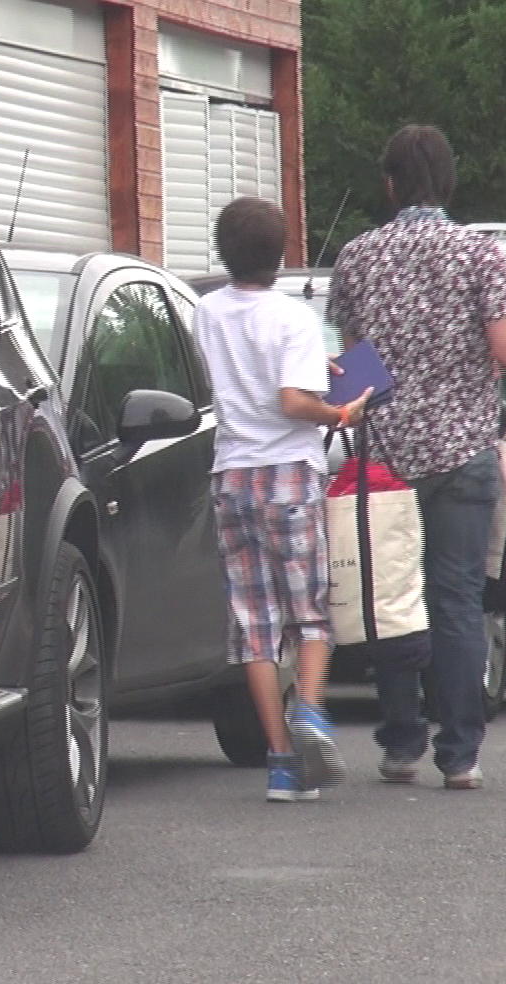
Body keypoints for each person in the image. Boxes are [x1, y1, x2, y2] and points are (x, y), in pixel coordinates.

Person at [328, 125, 506, 791]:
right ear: (448, 181)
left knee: (392, 596)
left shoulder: (358, 257)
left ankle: (401, 743)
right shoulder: (479, 255)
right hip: (462, 456)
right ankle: (460, 755)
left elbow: (354, 367)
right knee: (457, 598)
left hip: (387, 460)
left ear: (390, 184)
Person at [197, 196, 370, 802]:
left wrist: (305, 368)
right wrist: (340, 409)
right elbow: (293, 402)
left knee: (254, 625)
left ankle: (279, 762)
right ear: (282, 253)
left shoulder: (206, 310)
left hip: (232, 476)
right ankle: (313, 709)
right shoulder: (295, 318)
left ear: (223, 251)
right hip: (289, 476)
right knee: (308, 612)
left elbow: (247, 367)